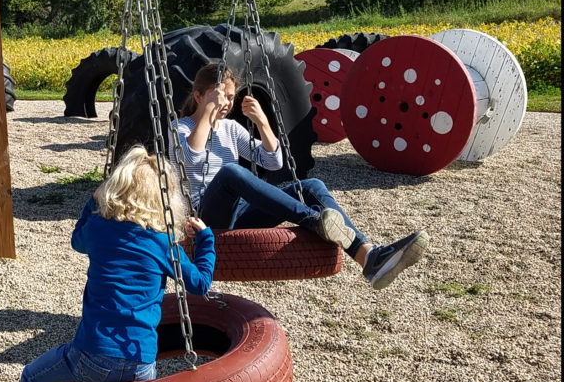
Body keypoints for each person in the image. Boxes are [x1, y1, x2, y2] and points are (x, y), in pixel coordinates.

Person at [172, 62, 427, 291]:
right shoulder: (180, 128)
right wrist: (207, 112)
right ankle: (315, 221)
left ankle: (369, 257)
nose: (225, 103)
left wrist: (262, 122)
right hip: (203, 217)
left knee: (310, 186)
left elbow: (273, 161)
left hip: (238, 213)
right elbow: (192, 157)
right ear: (198, 96)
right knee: (231, 172)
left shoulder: (230, 129)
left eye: (229, 97)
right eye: (218, 97)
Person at [17, 145, 215, 382]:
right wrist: (207, 239)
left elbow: (76, 240)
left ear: (116, 187)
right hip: (141, 362)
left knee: (31, 379)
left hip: (91, 356)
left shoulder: (98, 228)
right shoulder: (163, 243)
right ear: (165, 201)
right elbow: (200, 284)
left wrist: (91, 202)